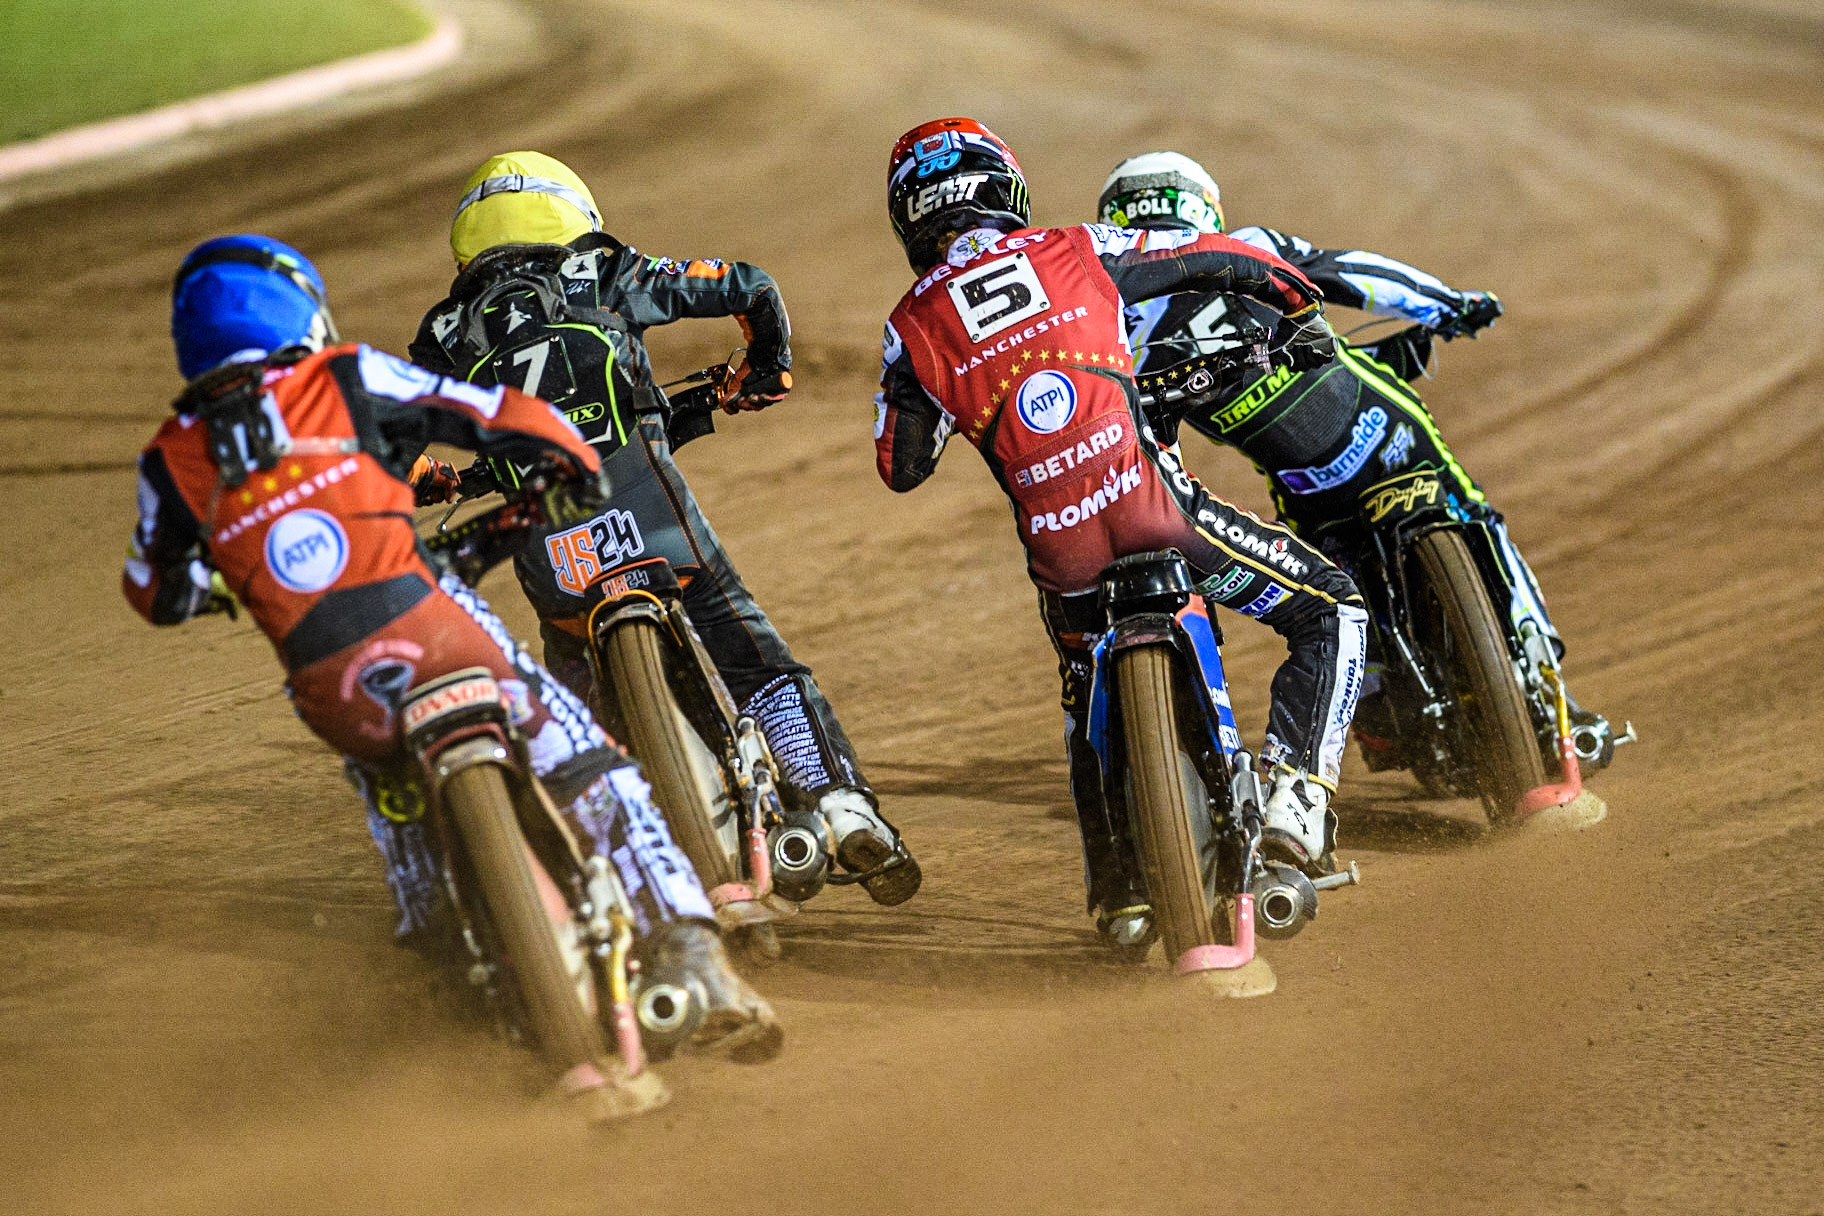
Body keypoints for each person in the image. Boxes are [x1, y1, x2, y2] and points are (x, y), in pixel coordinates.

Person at [124, 235, 782, 1090]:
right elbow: (506, 419)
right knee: (587, 763)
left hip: (335, 689)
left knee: (395, 811)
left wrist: (221, 588)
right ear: (299, 312)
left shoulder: (168, 460)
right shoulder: (344, 377)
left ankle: (443, 968)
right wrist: (568, 471)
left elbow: (152, 590)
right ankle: (691, 953)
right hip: (431, 625)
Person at [872, 118, 1369, 950]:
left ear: (909, 220)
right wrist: (1297, 305)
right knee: (1333, 609)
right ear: (1006, 186)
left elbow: (901, 465)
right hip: (1161, 517)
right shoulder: (1074, 245)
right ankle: (1299, 803)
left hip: (1062, 562)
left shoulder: (908, 325)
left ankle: (1122, 896)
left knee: (1080, 697)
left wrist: (965, 393)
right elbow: (1215, 254)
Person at [409, 152, 919, 907]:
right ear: (571, 215)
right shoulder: (603, 269)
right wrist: (764, 368)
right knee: (757, 664)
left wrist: (433, 478)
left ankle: (605, 869)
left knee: (569, 718)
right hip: (653, 515)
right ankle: (840, 805)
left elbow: (384, 430)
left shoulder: (444, 331)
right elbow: (750, 286)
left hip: (554, 556)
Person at [1095, 151, 1617, 772]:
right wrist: (1451, 305)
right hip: (1389, 433)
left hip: (1306, 489)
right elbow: (1355, 275)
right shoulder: (1246, 245)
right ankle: (1548, 681)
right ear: (1200, 203)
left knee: (1334, 582)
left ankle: (1373, 698)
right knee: (1479, 517)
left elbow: (1148, 443)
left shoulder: (1117, 326)